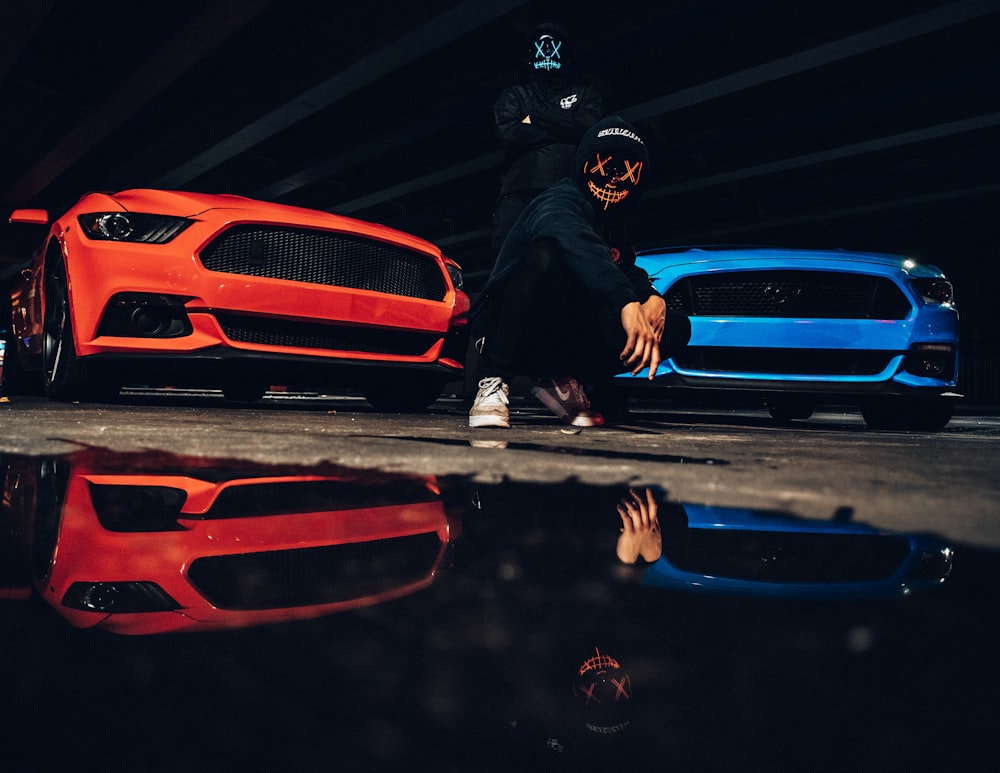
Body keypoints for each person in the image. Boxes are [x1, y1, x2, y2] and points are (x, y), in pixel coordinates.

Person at [468, 115, 691, 429]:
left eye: (628, 172)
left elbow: (624, 267)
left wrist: (653, 299)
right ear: (585, 164)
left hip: (556, 330)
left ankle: (562, 378)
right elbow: (576, 240)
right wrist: (626, 302)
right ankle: (492, 379)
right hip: (502, 323)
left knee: (676, 327)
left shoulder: (613, 224)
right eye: (608, 167)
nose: (615, 179)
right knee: (548, 256)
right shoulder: (558, 200)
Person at [491, 23, 603, 252]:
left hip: (570, 190)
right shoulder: (514, 94)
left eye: (555, 45)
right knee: (508, 262)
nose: (548, 51)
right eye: (542, 46)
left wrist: (534, 118)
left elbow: (588, 128)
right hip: (518, 193)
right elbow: (509, 134)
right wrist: (565, 126)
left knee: (572, 258)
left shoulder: (585, 93)